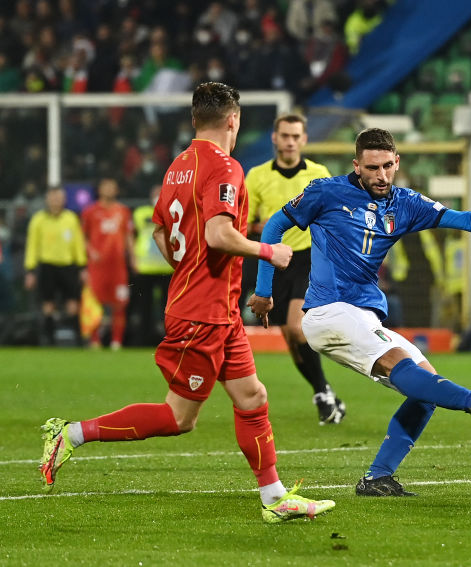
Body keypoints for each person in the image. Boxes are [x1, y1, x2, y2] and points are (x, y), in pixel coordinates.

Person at [39, 82, 334, 524]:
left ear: (195, 119)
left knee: (252, 395)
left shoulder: (178, 165)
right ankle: (72, 434)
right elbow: (218, 234)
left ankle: (274, 498)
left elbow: (160, 230)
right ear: (233, 120)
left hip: (216, 309)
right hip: (202, 313)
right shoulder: (226, 167)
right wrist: (268, 251)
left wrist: (186, 267)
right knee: (180, 418)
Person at [249, 127, 471, 497]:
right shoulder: (325, 192)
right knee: (400, 363)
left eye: (387, 166)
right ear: (356, 165)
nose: (381, 175)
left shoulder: (405, 203)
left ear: (397, 162)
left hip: (363, 315)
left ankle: (378, 478)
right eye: (372, 167)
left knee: (427, 385)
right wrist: (264, 291)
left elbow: (459, 219)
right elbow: (274, 226)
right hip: (329, 311)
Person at [246, 112, 346, 425]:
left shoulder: (319, 173)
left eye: (295, 136)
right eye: (285, 136)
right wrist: (262, 225)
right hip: (273, 261)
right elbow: (245, 222)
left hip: (307, 258)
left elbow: (334, 214)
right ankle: (324, 391)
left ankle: (322, 394)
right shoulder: (257, 176)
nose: (290, 142)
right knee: (290, 339)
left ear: (303, 139)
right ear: (275, 138)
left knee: (296, 327)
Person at [24, 186, 87, 346]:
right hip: (47, 266)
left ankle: (78, 340)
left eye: (58, 197)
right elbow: (32, 246)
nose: (55, 201)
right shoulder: (38, 220)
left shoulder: (71, 219)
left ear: (64, 200)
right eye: (52, 197)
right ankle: (49, 340)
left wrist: (82, 267)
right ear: (47, 199)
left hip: (68, 266)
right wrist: (30, 270)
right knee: (48, 304)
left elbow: (78, 244)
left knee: (73, 304)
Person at [80, 177, 133, 349]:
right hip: (97, 267)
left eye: (112, 187)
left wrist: (133, 258)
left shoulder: (123, 211)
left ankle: (116, 341)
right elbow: (83, 237)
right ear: (100, 190)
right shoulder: (90, 212)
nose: (109, 190)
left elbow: (128, 236)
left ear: (117, 190)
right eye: (106, 187)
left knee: (120, 304)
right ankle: (95, 341)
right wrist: (90, 252)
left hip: (118, 267)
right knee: (95, 303)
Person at [129, 186, 174, 346]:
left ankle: (169, 339)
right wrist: (133, 259)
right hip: (145, 267)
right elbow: (130, 236)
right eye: (156, 194)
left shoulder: (173, 212)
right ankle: (143, 340)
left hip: (167, 267)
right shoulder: (140, 213)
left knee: (168, 308)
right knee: (144, 307)